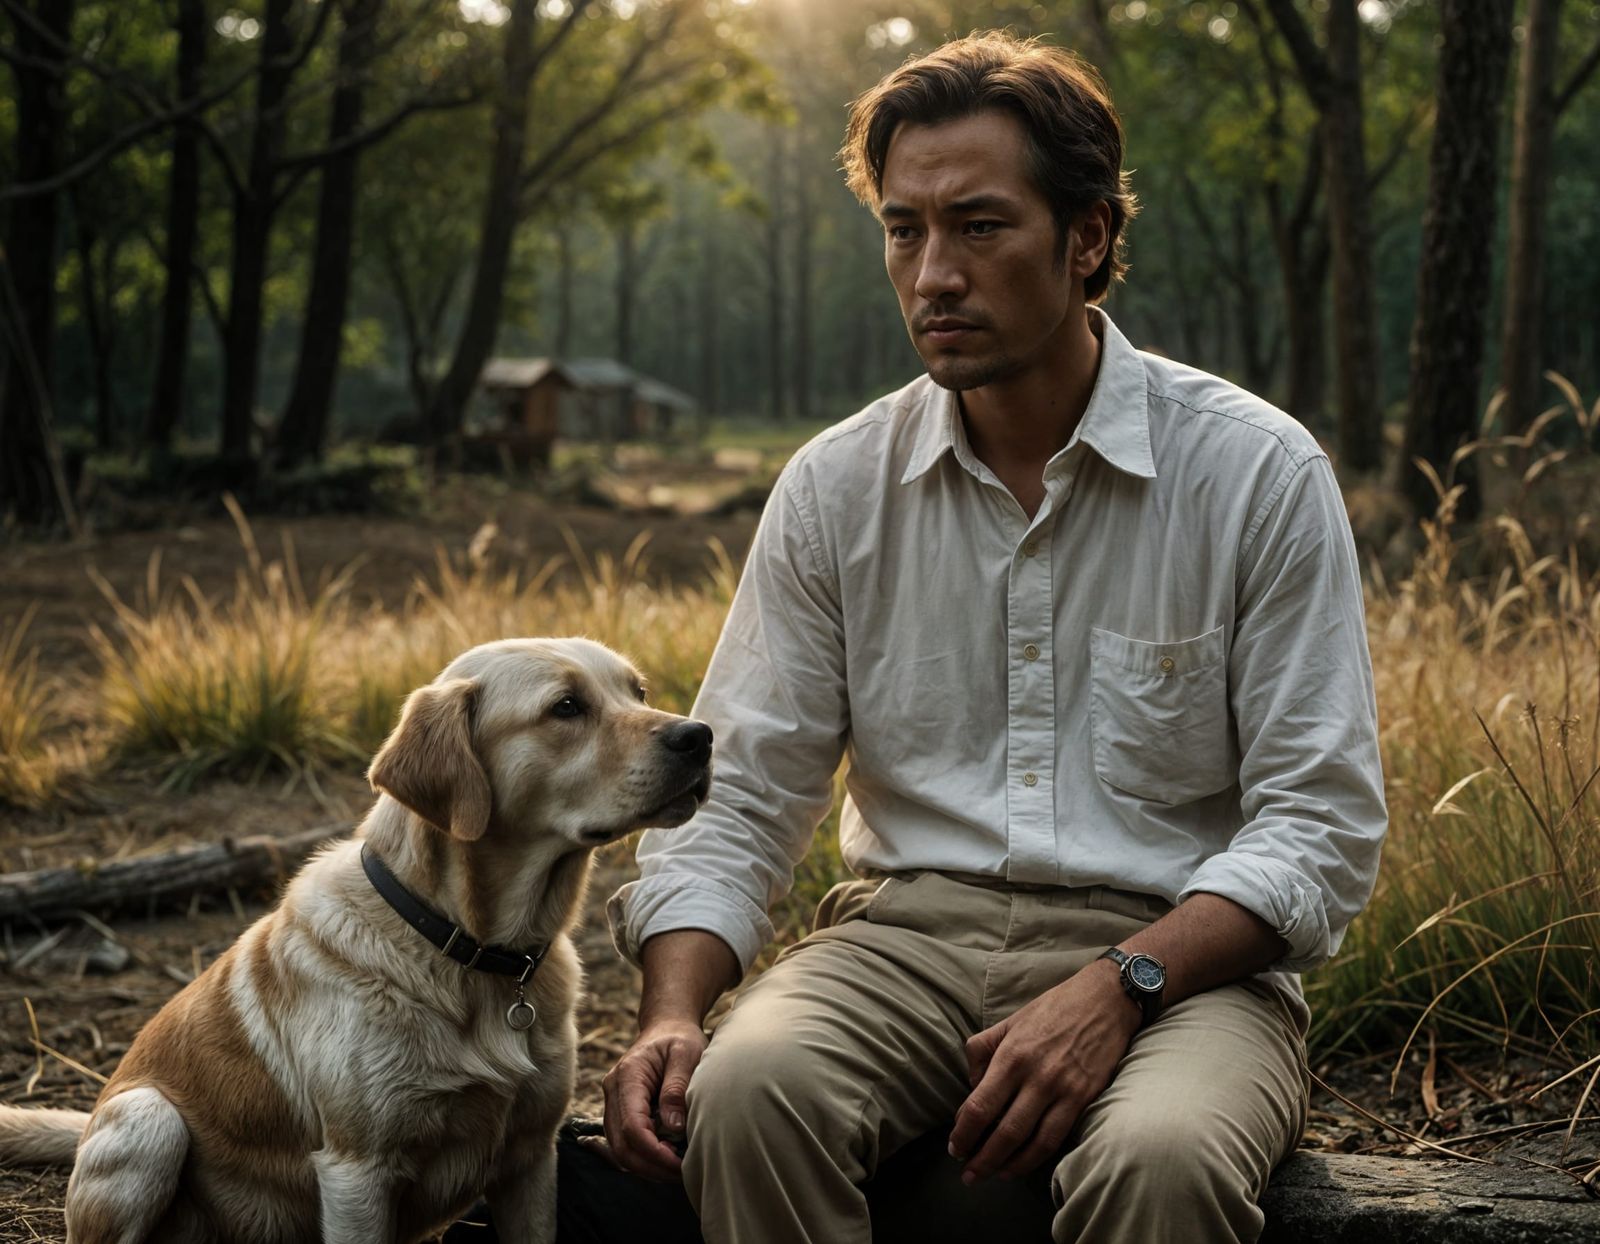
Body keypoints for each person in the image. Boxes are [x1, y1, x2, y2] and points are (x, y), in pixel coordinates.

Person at [598, 30, 1387, 1244]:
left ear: (1085, 239)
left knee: (1162, 1162)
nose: (932, 275)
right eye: (903, 230)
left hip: (1187, 962)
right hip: (906, 935)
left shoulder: (1253, 472)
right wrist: (670, 1012)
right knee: (749, 1092)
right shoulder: (834, 488)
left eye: (977, 225)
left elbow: (1319, 825)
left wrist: (1121, 982)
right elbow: (744, 797)